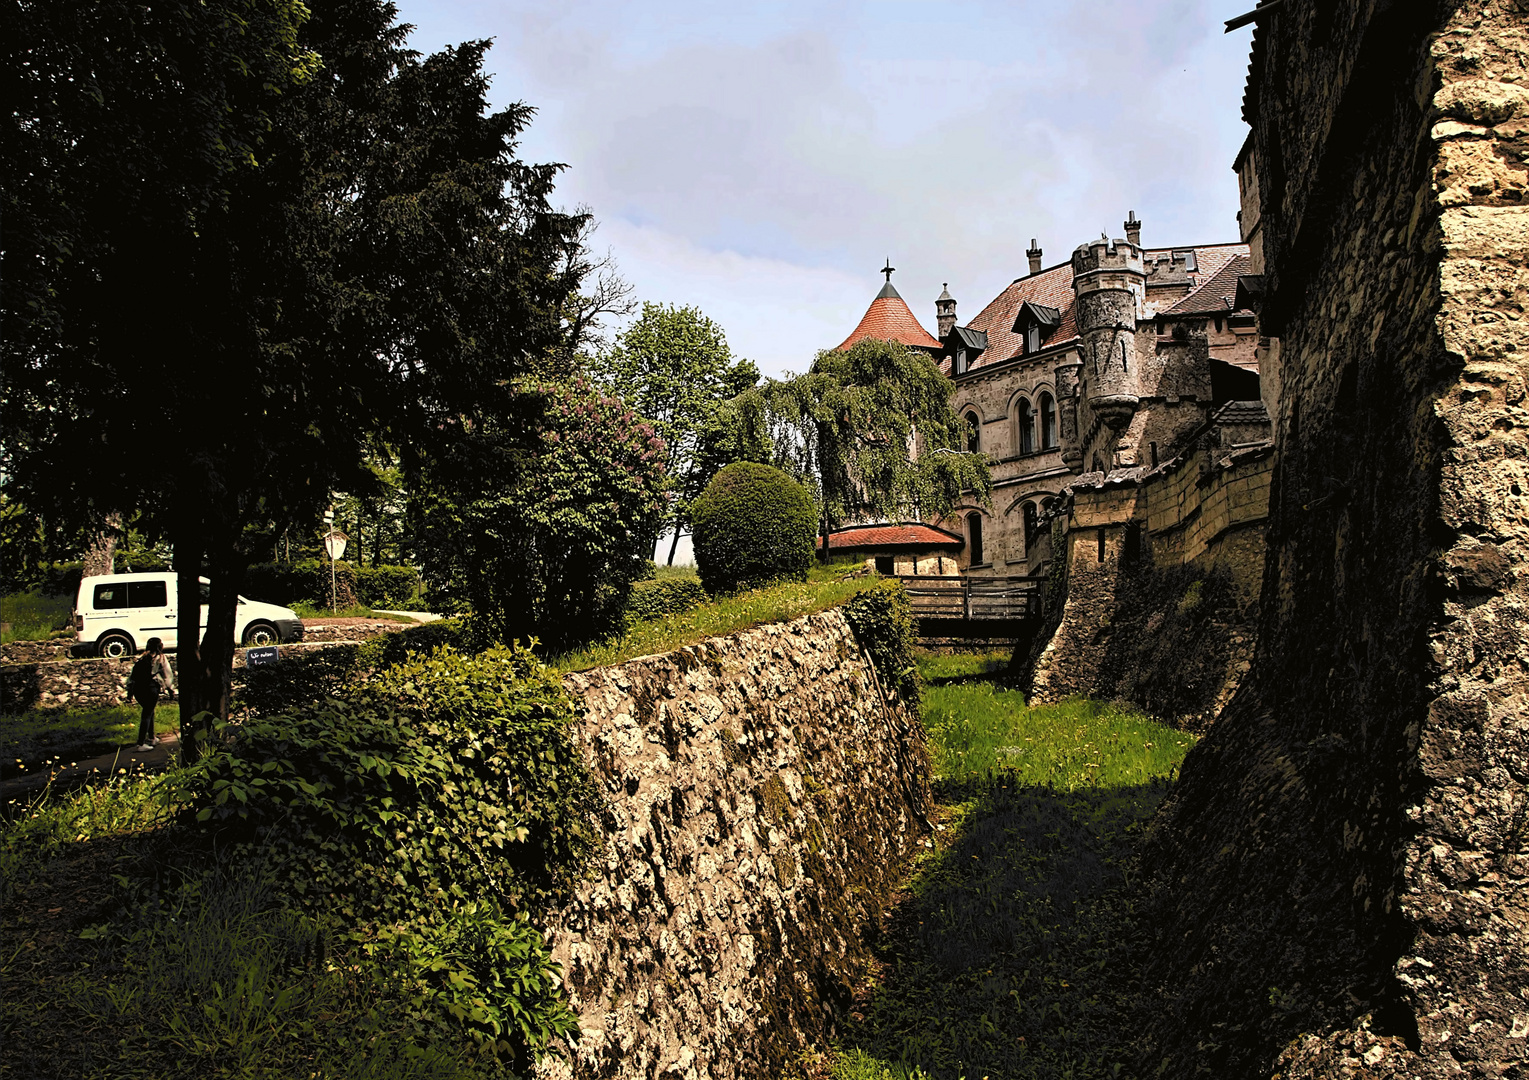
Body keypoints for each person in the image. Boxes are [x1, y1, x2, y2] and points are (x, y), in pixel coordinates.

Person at [125, 637, 174, 752]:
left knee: (149, 711)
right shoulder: (160, 659)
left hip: (138, 689)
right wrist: (170, 689)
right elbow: (168, 675)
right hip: (151, 688)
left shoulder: (142, 658)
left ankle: (152, 737)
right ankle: (141, 743)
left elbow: (132, 677)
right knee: (147, 714)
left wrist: (129, 693)